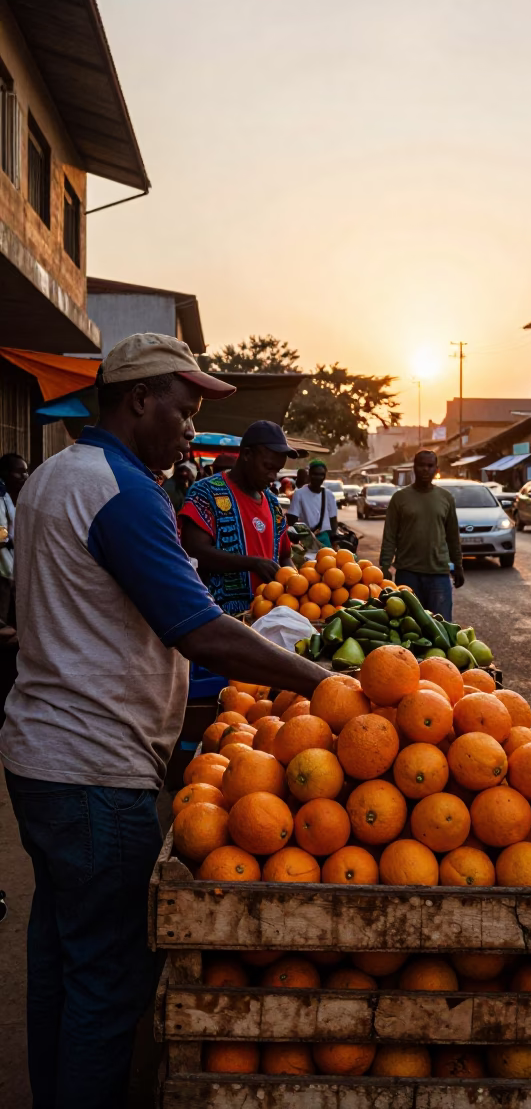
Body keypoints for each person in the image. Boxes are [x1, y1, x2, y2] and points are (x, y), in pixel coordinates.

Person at [0, 333, 326, 1109]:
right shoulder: (124, 488)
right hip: (92, 770)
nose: (190, 430)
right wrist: (326, 683)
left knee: (63, 958)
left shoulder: (53, 474)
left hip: (42, 756)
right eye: (183, 410)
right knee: (110, 981)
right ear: (139, 399)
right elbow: (197, 625)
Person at [179, 420, 296, 615]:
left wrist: (296, 584)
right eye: (268, 467)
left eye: (277, 470)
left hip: (270, 618)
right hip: (219, 617)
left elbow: (284, 556)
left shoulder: (273, 504)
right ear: (247, 454)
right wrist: (252, 563)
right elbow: (194, 550)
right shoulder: (206, 492)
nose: (272, 476)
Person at [379, 449, 464, 618]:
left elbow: (453, 536)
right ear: (414, 468)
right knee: (408, 626)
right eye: (421, 465)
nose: (426, 469)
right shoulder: (400, 498)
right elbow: (390, 535)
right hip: (407, 573)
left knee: (442, 626)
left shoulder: (446, 498)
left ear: (436, 469)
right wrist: (385, 566)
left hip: (438, 574)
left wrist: (458, 566)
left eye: (430, 466)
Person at [0, 452, 28, 644]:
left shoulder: (10, 497)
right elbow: (1, 534)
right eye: (19, 472)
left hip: (10, 569)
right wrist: (9, 539)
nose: (24, 477)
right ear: (5, 473)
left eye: (26, 472)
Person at [286, 459, 338, 547]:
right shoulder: (299, 494)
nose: (318, 477)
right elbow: (292, 519)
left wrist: (334, 541)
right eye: (315, 474)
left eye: (321, 475)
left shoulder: (329, 495)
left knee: (327, 560)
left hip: (324, 538)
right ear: (309, 475)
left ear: (325, 476)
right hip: (305, 539)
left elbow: (333, 520)